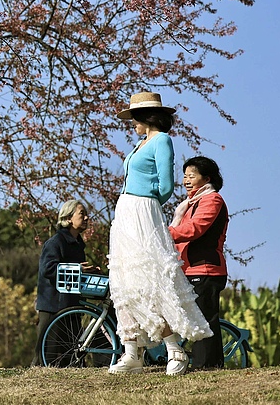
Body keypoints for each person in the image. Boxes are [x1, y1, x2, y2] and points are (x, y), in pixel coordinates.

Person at [107, 92, 211, 376]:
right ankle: (131, 352)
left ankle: (175, 349)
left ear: (146, 117)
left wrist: (146, 205)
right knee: (124, 280)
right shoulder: (141, 143)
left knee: (150, 278)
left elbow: (165, 185)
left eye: (134, 119)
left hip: (143, 211)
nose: (132, 124)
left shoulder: (162, 140)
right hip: (125, 213)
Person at [169, 156, 229, 370]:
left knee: (203, 319)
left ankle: (206, 366)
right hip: (190, 267)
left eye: (191, 176)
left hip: (206, 268)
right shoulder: (189, 204)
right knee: (197, 318)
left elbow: (195, 229)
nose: (186, 180)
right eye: (184, 176)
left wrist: (165, 233)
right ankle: (206, 363)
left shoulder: (212, 200)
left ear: (207, 178)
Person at [32, 199, 90, 366]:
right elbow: (48, 269)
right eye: (82, 214)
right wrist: (77, 269)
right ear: (69, 218)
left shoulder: (78, 244)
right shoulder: (56, 242)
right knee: (46, 358)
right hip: (53, 306)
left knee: (71, 358)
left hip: (71, 305)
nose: (86, 218)